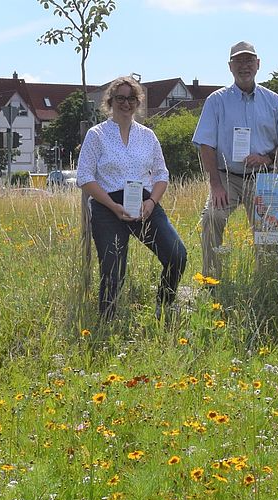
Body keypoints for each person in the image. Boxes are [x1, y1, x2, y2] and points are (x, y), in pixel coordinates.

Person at [192, 41, 278, 316]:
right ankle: (212, 288)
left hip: (265, 177)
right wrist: (215, 185)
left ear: (258, 64)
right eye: (239, 61)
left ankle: (270, 297)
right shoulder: (216, 101)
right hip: (227, 176)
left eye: (249, 60)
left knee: (272, 238)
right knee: (212, 217)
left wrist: (268, 158)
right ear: (230, 67)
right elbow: (206, 145)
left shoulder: (274, 101)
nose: (244, 66)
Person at [77, 76, 187, 322]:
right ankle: (107, 323)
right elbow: (84, 176)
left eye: (131, 98)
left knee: (176, 254)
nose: (126, 103)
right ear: (110, 101)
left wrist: (152, 202)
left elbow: (161, 174)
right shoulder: (97, 135)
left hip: (144, 203)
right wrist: (112, 206)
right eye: (120, 98)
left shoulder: (147, 136)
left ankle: (163, 307)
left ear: (138, 102)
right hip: (108, 205)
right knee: (113, 269)